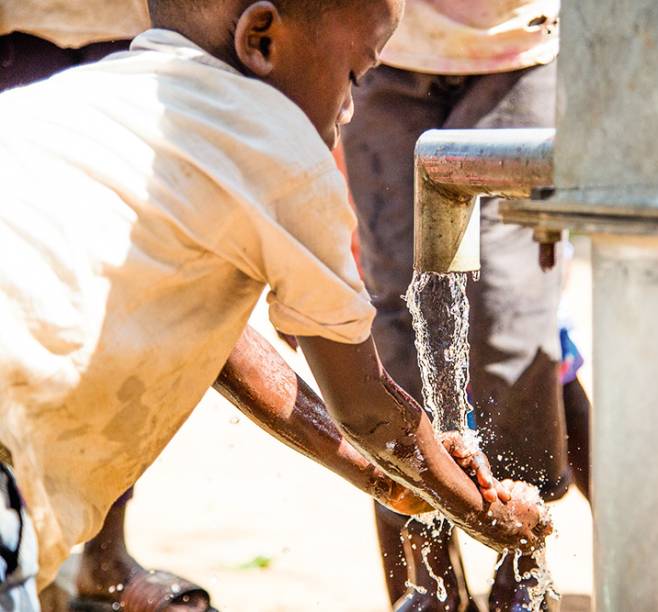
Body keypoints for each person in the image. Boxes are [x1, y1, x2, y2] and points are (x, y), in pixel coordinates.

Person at [0, 0, 552, 609]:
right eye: (353, 77)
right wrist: (483, 515)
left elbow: (224, 350)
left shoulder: (93, 96)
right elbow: (367, 410)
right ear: (260, 38)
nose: (349, 108)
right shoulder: (280, 148)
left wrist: (388, 479)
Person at [341, 1, 589, 609]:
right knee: (397, 320)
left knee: (509, 313)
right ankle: (428, 572)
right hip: (379, 49)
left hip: (517, 50)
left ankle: (522, 559)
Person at [0, 4, 221, 609]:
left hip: (141, 38)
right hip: (21, 34)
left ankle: (101, 547)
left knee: (128, 304)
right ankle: (27, 544)